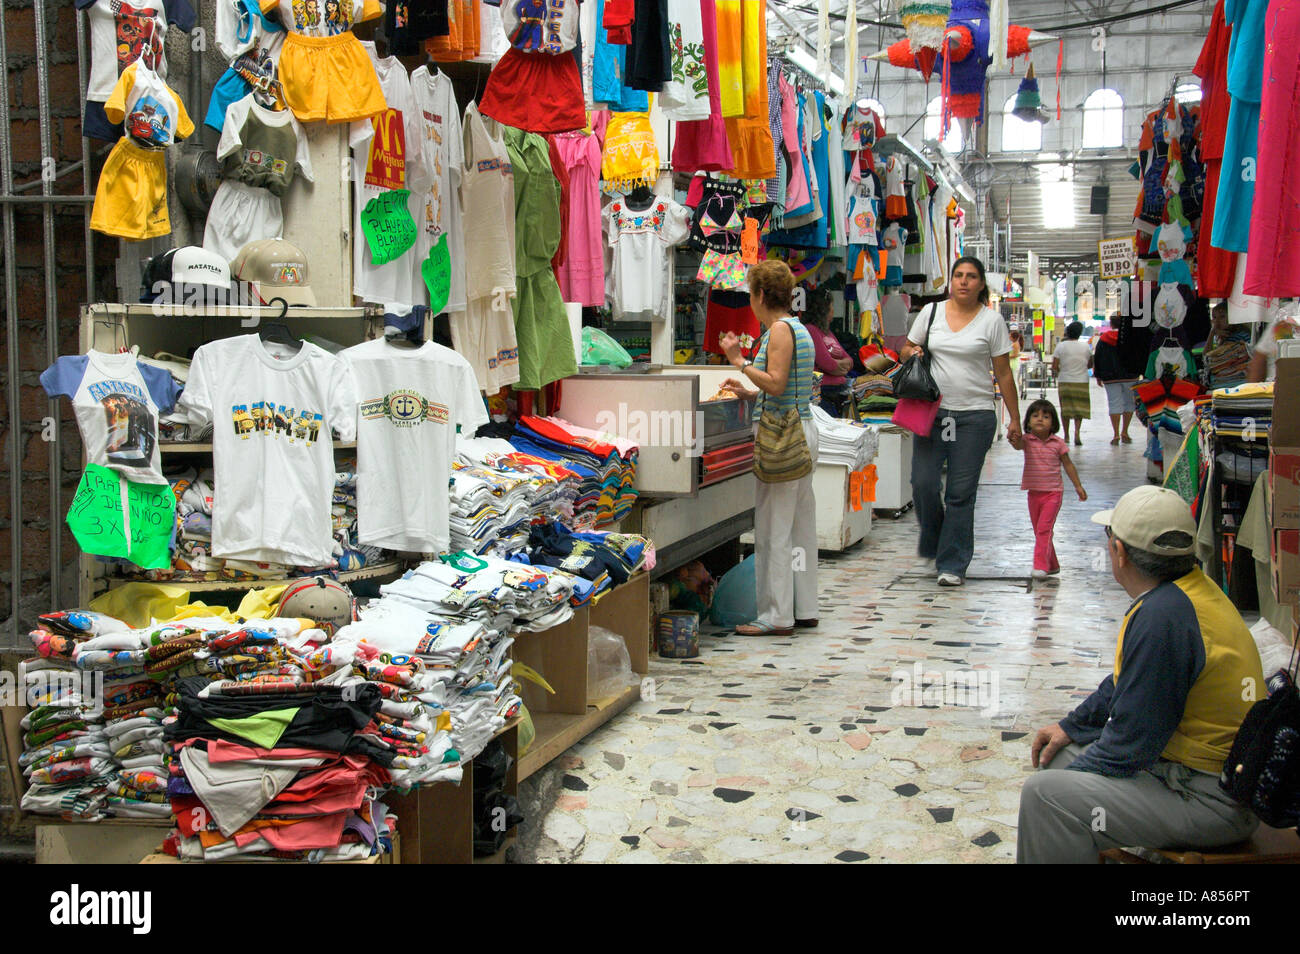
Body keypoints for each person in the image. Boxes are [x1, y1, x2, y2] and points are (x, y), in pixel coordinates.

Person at [1017, 485, 1264, 864]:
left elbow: (1131, 744)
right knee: (1060, 756)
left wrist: (1070, 786)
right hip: (1196, 778)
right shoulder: (1188, 592)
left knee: (1045, 797)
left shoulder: (1163, 617)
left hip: (1209, 800)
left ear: (1118, 552)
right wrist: (1072, 726)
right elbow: (1124, 682)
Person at [901, 256, 1022, 586]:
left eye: (971, 277)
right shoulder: (932, 313)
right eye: (958, 276)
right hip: (934, 413)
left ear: (981, 284)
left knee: (960, 492)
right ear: (950, 282)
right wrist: (911, 353)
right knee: (923, 483)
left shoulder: (991, 322)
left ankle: (952, 564)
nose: (964, 281)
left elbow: (1004, 373)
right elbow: (907, 348)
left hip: (975, 416)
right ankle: (940, 541)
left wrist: (1015, 420)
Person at [720, 260, 819, 636]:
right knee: (800, 526)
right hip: (802, 431)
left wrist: (740, 362)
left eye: (750, 294)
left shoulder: (777, 330)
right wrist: (749, 391)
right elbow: (785, 384)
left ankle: (776, 616)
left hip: (782, 436)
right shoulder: (799, 328)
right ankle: (804, 606)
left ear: (760, 295)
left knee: (774, 527)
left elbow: (776, 383)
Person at [1017, 399, 1087, 580]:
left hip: (1053, 493)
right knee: (1040, 530)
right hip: (1034, 493)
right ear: (1028, 421)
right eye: (1035, 416)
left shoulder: (1058, 443)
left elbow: (1068, 465)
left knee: (1044, 530)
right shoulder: (1027, 441)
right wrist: (1013, 433)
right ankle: (1053, 564)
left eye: (1046, 416)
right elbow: (1016, 444)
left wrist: (1078, 486)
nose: (1040, 419)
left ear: (1053, 422)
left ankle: (1040, 565)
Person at [802, 289, 854, 416]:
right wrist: (838, 365)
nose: (833, 311)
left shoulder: (827, 332)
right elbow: (827, 363)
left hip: (837, 393)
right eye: (831, 307)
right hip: (821, 393)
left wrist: (837, 365)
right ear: (823, 309)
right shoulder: (811, 330)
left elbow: (850, 361)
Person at [1092, 315, 1137, 445]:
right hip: (1130, 376)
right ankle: (1125, 432)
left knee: (1114, 403)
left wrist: (1098, 375)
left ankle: (1116, 434)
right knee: (1129, 403)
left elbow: (1098, 357)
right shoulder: (1130, 338)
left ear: (1111, 324)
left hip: (1110, 377)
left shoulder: (1104, 339)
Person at [1051, 321, 1092, 446]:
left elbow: (1054, 365)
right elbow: (1090, 364)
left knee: (1066, 409)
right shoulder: (1085, 347)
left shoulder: (1061, 346)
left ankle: (1066, 435)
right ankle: (1077, 433)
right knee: (1079, 409)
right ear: (1080, 333)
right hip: (1082, 381)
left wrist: (1060, 371)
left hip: (1065, 381)